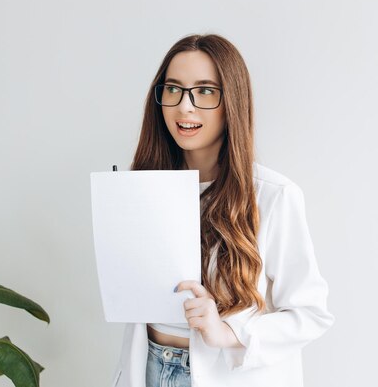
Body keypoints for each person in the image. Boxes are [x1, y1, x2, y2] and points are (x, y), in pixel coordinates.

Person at [113, 33, 335, 387]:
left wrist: (229, 331)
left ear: (231, 101)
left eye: (204, 91)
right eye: (173, 89)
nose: (185, 107)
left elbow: (311, 313)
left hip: (226, 374)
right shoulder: (142, 189)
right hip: (150, 368)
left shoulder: (273, 196)